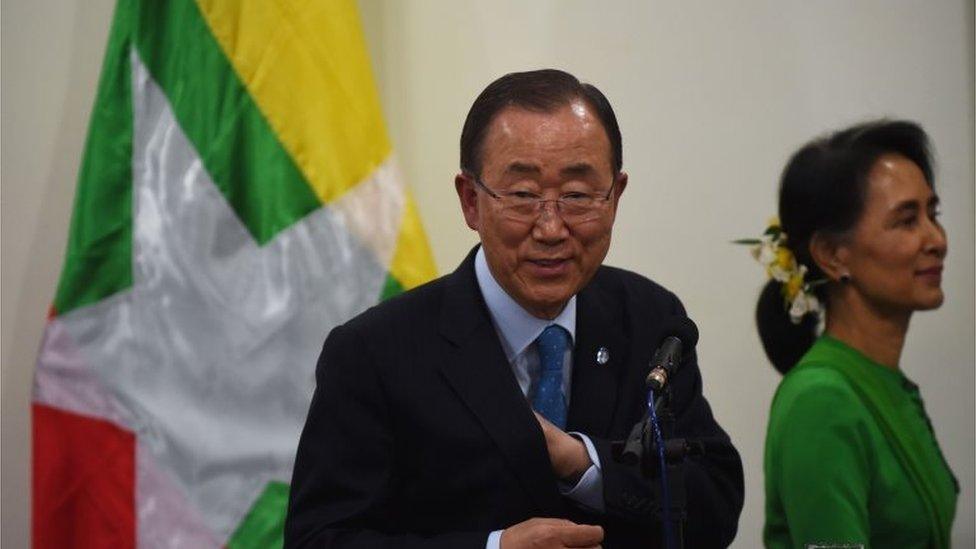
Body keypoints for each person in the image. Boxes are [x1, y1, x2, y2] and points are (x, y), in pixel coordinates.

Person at [286, 69, 744, 549]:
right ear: (470, 201)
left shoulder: (649, 317)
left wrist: (586, 464)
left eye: (577, 196)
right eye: (523, 196)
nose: (550, 228)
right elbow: (319, 540)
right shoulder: (375, 352)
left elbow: (715, 501)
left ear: (615, 197)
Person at [753, 120, 958, 548]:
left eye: (932, 215)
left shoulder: (886, 384)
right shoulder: (821, 400)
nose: (936, 239)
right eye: (906, 221)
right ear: (832, 254)